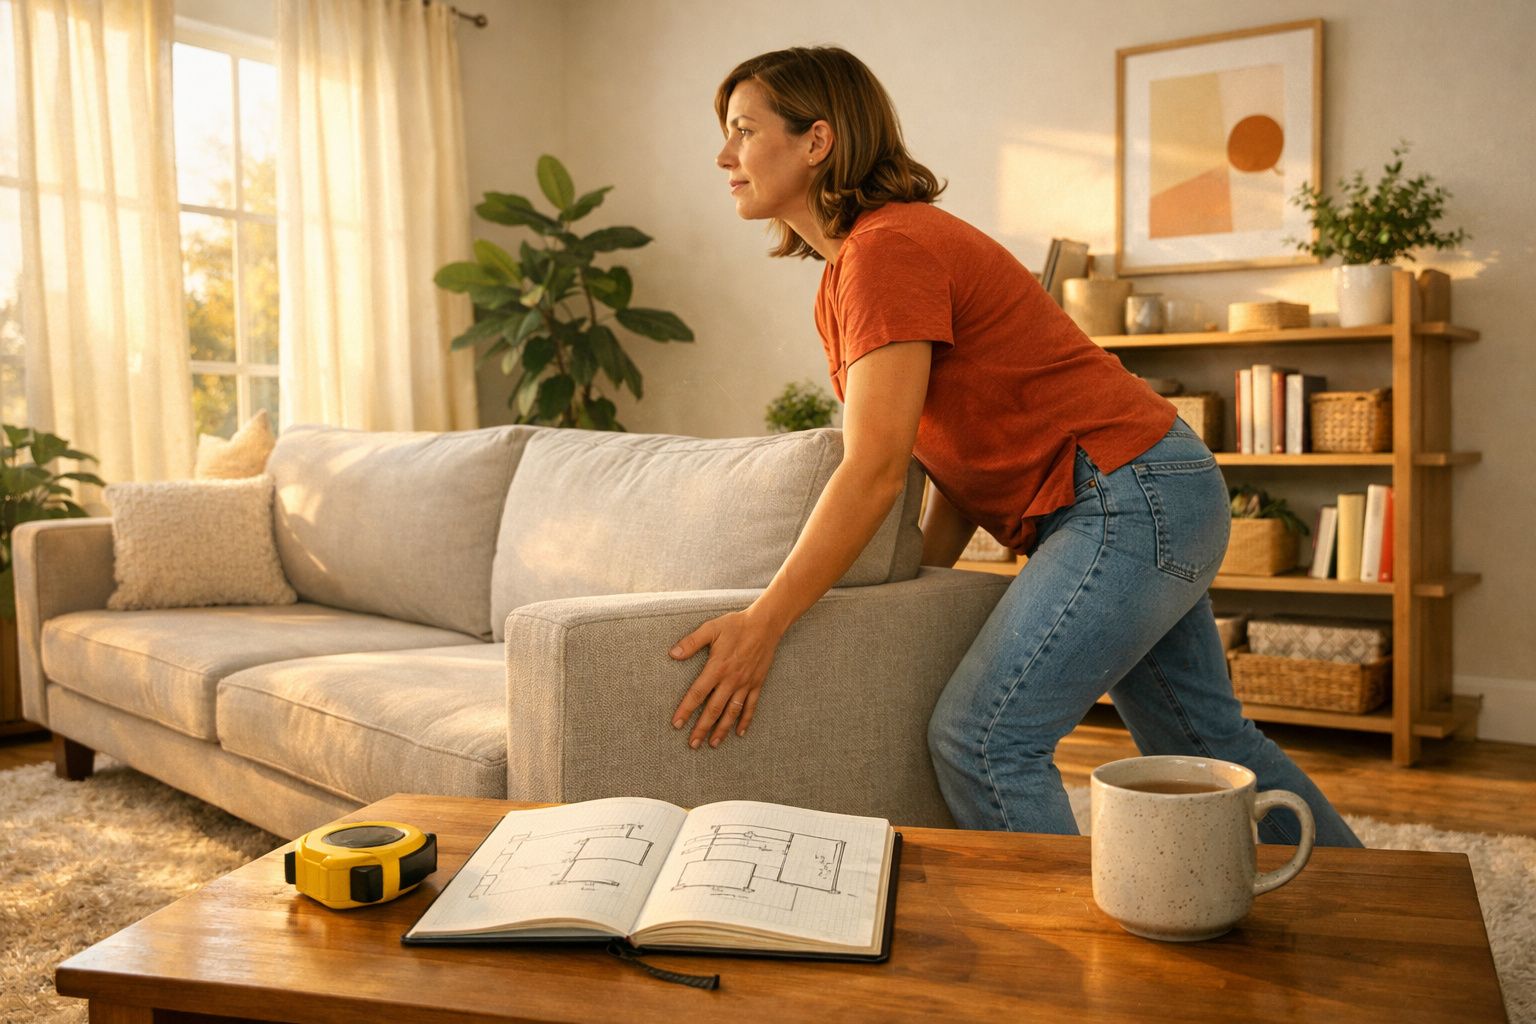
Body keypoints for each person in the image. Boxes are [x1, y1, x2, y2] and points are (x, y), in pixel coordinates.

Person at [668, 45, 1361, 847]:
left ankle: (1062, 964)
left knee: (985, 742)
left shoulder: (883, 252)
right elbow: (947, 456)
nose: (725, 156)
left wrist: (766, 620)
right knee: (1206, 742)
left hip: (1128, 498)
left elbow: (875, 466)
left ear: (817, 140)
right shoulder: (853, 270)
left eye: (744, 131)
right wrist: (919, 584)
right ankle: (1382, 934)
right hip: (1157, 487)